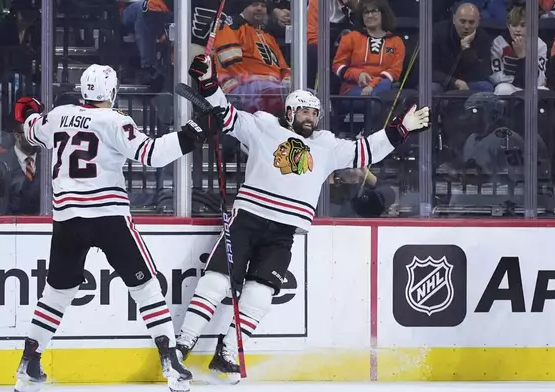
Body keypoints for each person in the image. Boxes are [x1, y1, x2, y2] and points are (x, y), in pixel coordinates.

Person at [174, 54, 430, 382]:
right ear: (290, 112)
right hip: (248, 218)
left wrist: (401, 129)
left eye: (314, 113)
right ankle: (182, 346)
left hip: (284, 231)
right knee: (215, 282)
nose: (310, 118)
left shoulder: (326, 145)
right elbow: (224, 114)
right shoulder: (263, 126)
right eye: (304, 112)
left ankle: (227, 351)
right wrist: (208, 81)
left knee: (262, 292)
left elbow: (364, 151)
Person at [11, 64, 221, 392]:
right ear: (111, 92)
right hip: (108, 218)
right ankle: (171, 362)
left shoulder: (57, 116)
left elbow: (30, 125)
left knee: (56, 293)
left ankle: (29, 363)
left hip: (67, 219)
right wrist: (196, 132)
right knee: (146, 287)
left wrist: (30, 114)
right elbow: (152, 154)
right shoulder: (115, 121)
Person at [490, 6, 548, 96]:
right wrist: (516, 80)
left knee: (543, 91)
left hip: (532, 87)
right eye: (514, 25)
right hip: (509, 85)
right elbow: (495, 76)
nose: (517, 30)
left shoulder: (539, 45)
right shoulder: (499, 43)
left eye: (523, 25)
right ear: (508, 26)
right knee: (503, 89)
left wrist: (523, 57)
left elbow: (539, 80)